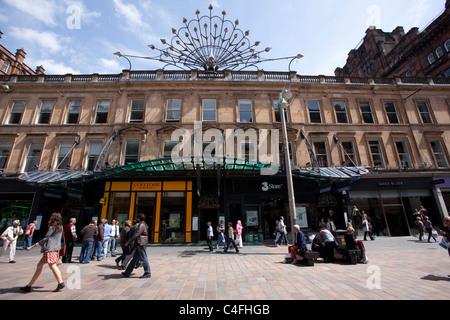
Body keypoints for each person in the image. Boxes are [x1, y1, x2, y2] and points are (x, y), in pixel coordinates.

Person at [20, 212, 65, 293]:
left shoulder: (52, 227)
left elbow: (46, 238)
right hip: (55, 248)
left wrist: (33, 245)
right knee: (40, 266)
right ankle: (29, 285)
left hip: (50, 249)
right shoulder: (60, 227)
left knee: (52, 266)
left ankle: (61, 282)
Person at [122, 213, 151, 278]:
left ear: (138, 218)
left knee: (143, 257)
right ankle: (127, 272)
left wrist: (128, 242)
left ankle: (147, 272)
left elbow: (136, 234)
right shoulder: (145, 225)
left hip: (141, 243)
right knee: (135, 258)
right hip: (140, 243)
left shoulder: (141, 225)